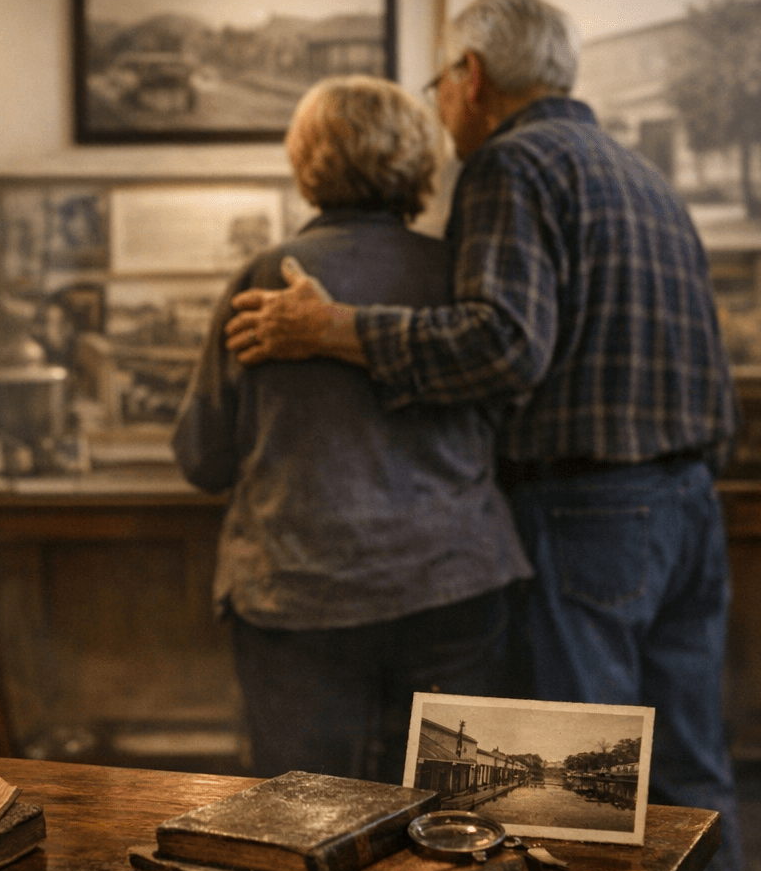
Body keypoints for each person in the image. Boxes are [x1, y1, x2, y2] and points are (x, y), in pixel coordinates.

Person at [224, 0, 751, 871]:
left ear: (470, 76)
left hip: (589, 513)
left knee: (574, 799)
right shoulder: (640, 171)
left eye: (441, 83)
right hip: (689, 506)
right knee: (691, 781)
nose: (443, 106)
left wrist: (336, 328)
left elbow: (504, 345)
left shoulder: (513, 162)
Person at [172, 76, 532, 785]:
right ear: (419, 162)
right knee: (452, 809)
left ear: (306, 159)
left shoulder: (264, 278)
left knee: (307, 813)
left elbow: (202, 458)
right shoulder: (462, 276)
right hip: (453, 584)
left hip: (300, 590)